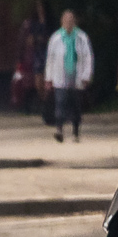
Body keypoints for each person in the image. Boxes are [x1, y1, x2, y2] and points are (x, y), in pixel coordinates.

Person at [43, 10, 94, 143]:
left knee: (76, 106)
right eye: (66, 21)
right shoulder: (56, 38)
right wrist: (48, 78)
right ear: (62, 22)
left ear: (74, 22)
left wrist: (86, 75)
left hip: (76, 76)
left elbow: (88, 57)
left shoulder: (81, 37)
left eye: (71, 21)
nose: (68, 23)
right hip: (60, 76)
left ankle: (75, 132)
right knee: (60, 104)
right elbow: (50, 59)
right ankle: (59, 130)